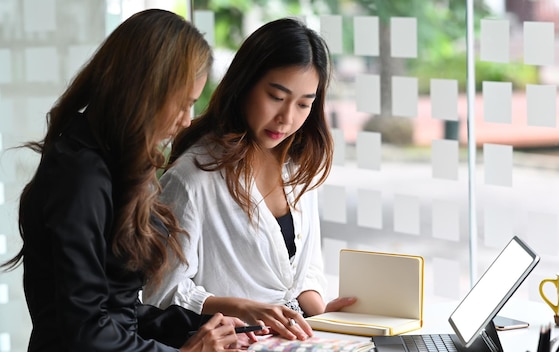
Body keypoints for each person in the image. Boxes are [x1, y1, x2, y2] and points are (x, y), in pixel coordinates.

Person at [0, 9, 259, 351]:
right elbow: (87, 331)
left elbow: (121, 313)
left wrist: (206, 325)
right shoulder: (80, 176)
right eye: (183, 104)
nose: (186, 121)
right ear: (145, 89)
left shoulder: (110, 159)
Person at [142, 17, 356, 340]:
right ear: (245, 83)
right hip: (237, 343)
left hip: (298, 341)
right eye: (276, 96)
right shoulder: (193, 178)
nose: (287, 118)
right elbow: (161, 292)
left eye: (303, 104)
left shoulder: (298, 167)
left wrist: (321, 314)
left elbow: (305, 271)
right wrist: (243, 307)